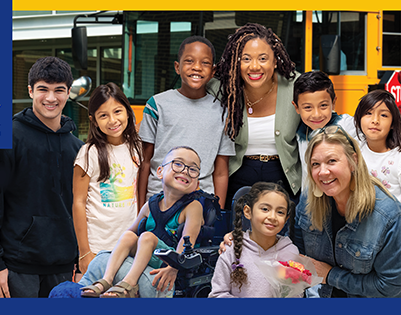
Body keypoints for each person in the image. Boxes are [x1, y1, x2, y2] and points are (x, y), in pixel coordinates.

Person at [0, 56, 84, 298]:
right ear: (30, 90)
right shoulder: (7, 139)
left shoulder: (78, 148)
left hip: (64, 268)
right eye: (43, 89)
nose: (51, 98)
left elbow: (84, 209)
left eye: (58, 90)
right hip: (17, 268)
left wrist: (81, 261)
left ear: (68, 93)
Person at [80, 146, 204, 297]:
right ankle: (106, 279)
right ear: (160, 172)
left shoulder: (193, 207)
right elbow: (130, 234)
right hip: (147, 253)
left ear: (197, 184)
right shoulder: (151, 204)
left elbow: (187, 242)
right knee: (129, 236)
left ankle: (129, 284)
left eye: (193, 169)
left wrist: (174, 267)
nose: (185, 170)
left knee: (147, 236)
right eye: (178, 164)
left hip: (170, 259)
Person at [294, 125, 401, 297]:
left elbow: (389, 287)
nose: (323, 172)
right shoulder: (308, 200)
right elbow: (296, 253)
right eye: (315, 164)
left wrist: (330, 276)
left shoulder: (387, 215)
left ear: (354, 161)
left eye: (332, 161)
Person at [207, 23, 301, 210]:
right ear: (235, 62)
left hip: (284, 178)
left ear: (275, 61)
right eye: (246, 59)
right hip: (236, 177)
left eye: (263, 58)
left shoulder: (296, 86)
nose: (254, 66)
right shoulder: (219, 89)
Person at [138, 35, 235, 210]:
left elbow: (221, 172)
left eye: (205, 63)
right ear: (177, 67)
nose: (197, 67)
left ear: (213, 71)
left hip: (201, 205)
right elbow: (145, 162)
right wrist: (140, 208)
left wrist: (217, 212)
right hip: (158, 202)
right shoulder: (157, 105)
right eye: (189, 61)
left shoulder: (223, 112)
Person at [72, 83, 143, 275]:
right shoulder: (88, 153)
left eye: (117, 111)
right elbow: (78, 202)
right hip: (98, 248)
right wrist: (84, 252)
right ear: (93, 120)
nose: (113, 120)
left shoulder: (136, 147)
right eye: (103, 115)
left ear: (127, 112)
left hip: (129, 245)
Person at [209, 182, 300, 297]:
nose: (272, 217)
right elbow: (218, 295)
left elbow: (296, 296)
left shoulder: (291, 252)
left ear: (286, 218)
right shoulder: (231, 249)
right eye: (265, 209)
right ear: (248, 212)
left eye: (280, 212)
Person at [293, 70, 357, 188]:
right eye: (308, 107)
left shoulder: (346, 125)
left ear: (333, 103)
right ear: (296, 107)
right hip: (311, 199)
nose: (316, 114)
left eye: (323, 105)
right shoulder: (300, 133)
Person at [354, 89, 401, 200]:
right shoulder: (354, 150)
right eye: (368, 113)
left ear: (392, 124)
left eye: (384, 115)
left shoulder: (398, 159)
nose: (375, 120)